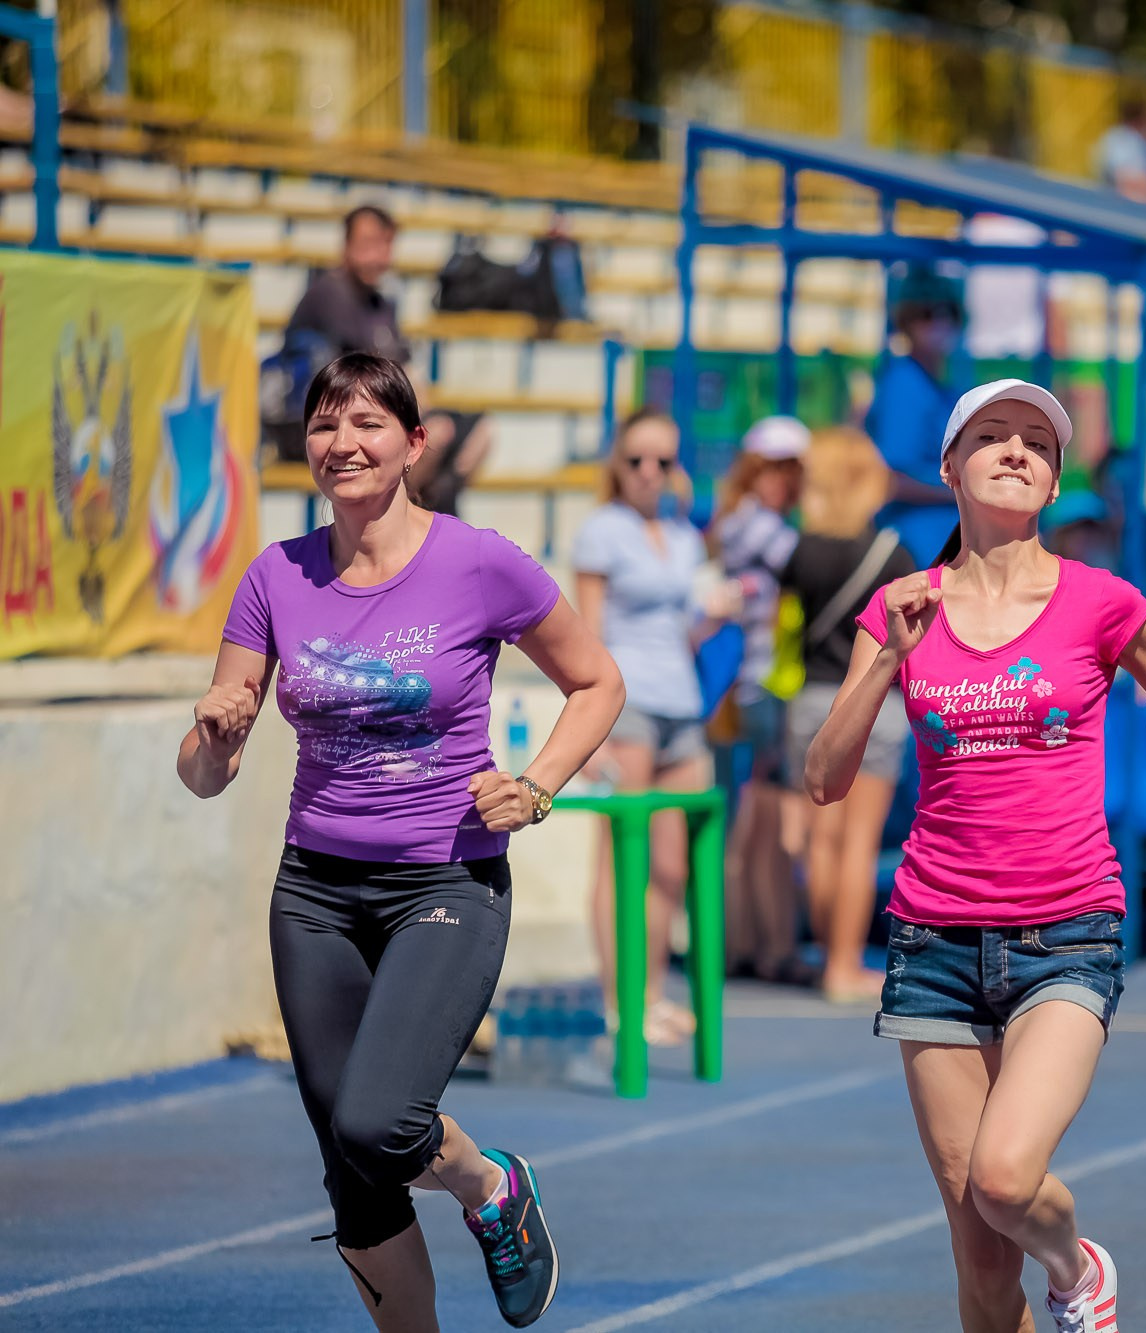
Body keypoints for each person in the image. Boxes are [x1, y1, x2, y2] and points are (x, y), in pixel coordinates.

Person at [177, 353, 623, 1329]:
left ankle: (490, 1186)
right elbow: (208, 770)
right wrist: (212, 736)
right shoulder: (275, 576)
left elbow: (596, 682)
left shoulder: (479, 561)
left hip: (445, 881)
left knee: (379, 1123)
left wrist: (538, 784)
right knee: (353, 1165)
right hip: (314, 894)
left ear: (414, 443)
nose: (343, 443)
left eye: (367, 423)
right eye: (325, 425)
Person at [804, 379, 1146, 1332]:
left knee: (1007, 1182)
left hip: (1066, 933)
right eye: (992, 436)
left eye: (1036, 444)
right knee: (977, 1263)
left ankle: (1077, 1260)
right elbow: (824, 777)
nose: (1015, 451)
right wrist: (886, 659)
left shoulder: (1103, 602)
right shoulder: (898, 607)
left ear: (1052, 483)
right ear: (949, 468)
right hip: (933, 948)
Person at [574, 407, 730, 1044]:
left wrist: (715, 616)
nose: (647, 472)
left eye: (661, 461)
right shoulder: (602, 531)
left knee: (671, 863)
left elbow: (684, 630)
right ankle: (620, 1002)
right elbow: (586, 635)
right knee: (622, 859)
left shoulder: (686, 536)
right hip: (628, 704)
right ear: (618, 463)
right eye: (636, 459)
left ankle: (652, 993)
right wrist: (590, 728)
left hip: (681, 703)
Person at [780, 426, 918, 1002]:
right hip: (873, 701)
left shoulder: (801, 551)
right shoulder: (890, 551)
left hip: (810, 700)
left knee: (821, 839)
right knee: (860, 841)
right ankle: (842, 963)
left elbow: (784, 631)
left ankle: (823, 954)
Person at [285, 204, 493, 516]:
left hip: (379, 411)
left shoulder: (380, 302)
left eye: (384, 244)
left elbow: (406, 369)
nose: (378, 254)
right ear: (346, 245)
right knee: (437, 431)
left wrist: (421, 406)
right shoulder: (330, 294)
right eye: (367, 243)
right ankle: (396, 519)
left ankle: (430, 513)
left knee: (480, 433)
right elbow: (366, 372)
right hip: (333, 421)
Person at [713, 414, 811, 983]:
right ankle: (761, 946)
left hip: (757, 687)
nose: (784, 480)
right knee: (758, 824)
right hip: (758, 688)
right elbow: (808, 563)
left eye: (790, 469)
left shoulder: (742, 520)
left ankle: (752, 943)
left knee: (757, 824)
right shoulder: (757, 525)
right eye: (775, 468)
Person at [865, 263, 969, 565]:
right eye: (926, 314)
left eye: (947, 311)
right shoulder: (904, 384)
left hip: (945, 539)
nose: (939, 322)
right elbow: (891, 479)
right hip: (914, 545)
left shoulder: (942, 387)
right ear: (906, 322)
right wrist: (965, 493)